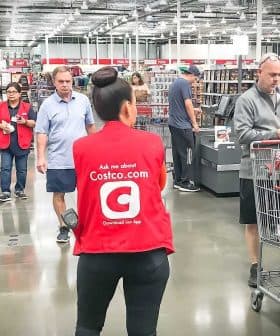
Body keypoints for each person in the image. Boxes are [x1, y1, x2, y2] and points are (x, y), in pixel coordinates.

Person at [72, 66, 174, 336]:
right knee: (143, 331)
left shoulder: (81, 147)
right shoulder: (153, 143)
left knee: (87, 326)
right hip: (147, 250)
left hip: (96, 250)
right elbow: (159, 185)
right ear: (128, 107)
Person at [234, 53, 280, 288]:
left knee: (274, 220)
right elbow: (242, 134)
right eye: (272, 74)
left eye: (279, 75)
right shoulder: (246, 100)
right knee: (254, 222)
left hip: (277, 171)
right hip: (254, 171)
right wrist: (273, 135)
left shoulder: (279, 98)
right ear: (258, 73)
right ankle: (255, 266)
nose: (276, 79)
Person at [35, 66, 95, 243]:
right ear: (54, 82)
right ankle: (63, 227)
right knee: (59, 194)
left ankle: (88, 226)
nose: (65, 85)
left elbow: (90, 126)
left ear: (72, 81)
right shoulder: (47, 105)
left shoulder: (83, 100)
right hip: (58, 160)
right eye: (61, 81)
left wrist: (99, 150)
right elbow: (42, 132)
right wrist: (41, 157)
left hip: (83, 160)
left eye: (68, 81)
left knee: (87, 195)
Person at [0, 82, 36, 201]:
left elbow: (34, 122)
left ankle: (19, 190)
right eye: (8, 92)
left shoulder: (27, 107)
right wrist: (1, 126)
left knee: (22, 170)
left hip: (22, 144)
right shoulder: (1, 106)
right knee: (5, 168)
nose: (11, 94)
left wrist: (25, 122)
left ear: (20, 93)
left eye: (14, 92)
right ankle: (5, 191)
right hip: (5, 143)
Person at [168, 64, 201, 192]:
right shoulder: (185, 84)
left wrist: (194, 109)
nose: (195, 82)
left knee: (177, 153)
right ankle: (185, 181)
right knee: (188, 153)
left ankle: (178, 179)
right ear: (192, 75)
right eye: (196, 78)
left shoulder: (176, 83)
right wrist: (194, 123)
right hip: (183, 126)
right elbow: (187, 103)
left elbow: (179, 104)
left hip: (174, 124)